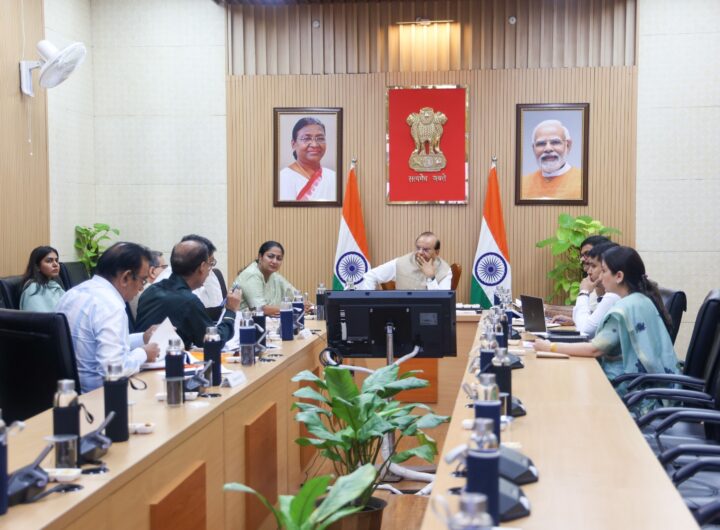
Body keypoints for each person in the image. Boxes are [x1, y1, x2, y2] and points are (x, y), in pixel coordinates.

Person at [534, 246, 679, 396]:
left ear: (619, 276)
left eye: (604, 271)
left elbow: (595, 349)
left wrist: (550, 347)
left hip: (634, 392)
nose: (600, 277)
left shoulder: (623, 309)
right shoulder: (642, 300)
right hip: (652, 387)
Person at [56, 242, 160, 393]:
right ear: (126, 277)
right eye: (142, 280)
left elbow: (101, 343)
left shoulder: (71, 294)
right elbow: (113, 369)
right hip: (98, 397)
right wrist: (144, 353)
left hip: (68, 394)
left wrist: (143, 338)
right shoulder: (111, 306)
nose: (141, 288)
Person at [136, 240, 241, 348]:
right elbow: (213, 341)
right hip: (167, 357)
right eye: (210, 265)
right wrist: (231, 311)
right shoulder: (188, 301)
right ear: (202, 267)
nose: (209, 271)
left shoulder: (150, 291)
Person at [358, 232, 452, 290]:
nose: (420, 252)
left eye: (426, 250)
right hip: (404, 313)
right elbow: (371, 276)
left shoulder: (445, 270)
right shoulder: (401, 263)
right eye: (418, 248)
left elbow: (442, 302)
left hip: (429, 315)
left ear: (437, 252)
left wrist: (431, 278)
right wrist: (370, 305)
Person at [232, 241, 303, 316]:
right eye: (270, 256)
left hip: (267, 320)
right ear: (260, 257)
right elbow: (260, 309)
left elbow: (294, 294)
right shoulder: (251, 274)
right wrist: (294, 308)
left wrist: (303, 303)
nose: (275, 261)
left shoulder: (274, 276)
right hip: (242, 321)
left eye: (279, 258)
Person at [154, 234, 224, 308]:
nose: (210, 270)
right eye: (210, 263)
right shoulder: (180, 296)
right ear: (202, 266)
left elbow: (215, 303)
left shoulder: (188, 280)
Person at [521, 119, 582, 200]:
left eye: (555, 142)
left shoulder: (583, 181)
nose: (548, 149)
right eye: (541, 144)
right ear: (533, 148)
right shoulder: (522, 184)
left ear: (567, 145)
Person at [278, 117, 336, 202]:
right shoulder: (283, 178)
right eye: (306, 138)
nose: (314, 144)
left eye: (320, 138)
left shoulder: (333, 177)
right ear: (293, 144)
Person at [570, 242, 620, 337]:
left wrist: (583, 293)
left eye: (593, 266)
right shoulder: (612, 294)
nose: (589, 272)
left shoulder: (613, 296)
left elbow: (585, 331)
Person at [18, 245, 65, 312]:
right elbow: (39, 316)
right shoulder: (34, 288)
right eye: (49, 261)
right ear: (37, 266)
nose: (55, 264)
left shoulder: (54, 284)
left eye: (56, 260)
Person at [128, 250, 166, 320]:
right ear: (152, 271)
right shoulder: (153, 294)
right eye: (164, 267)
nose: (166, 270)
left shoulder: (133, 290)